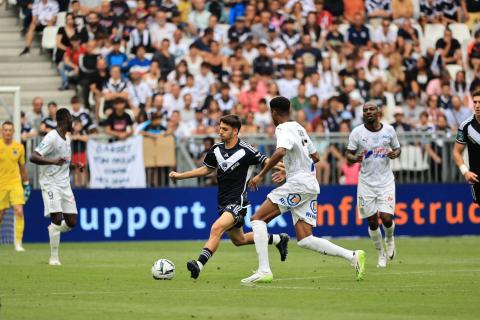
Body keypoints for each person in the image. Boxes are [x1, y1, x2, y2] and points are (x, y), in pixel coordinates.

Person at [241, 96, 366, 284]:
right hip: (308, 182)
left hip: (299, 184)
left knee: (257, 219)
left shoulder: (282, 128)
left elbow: (281, 151)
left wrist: (261, 174)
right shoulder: (299, 128)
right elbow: (314, 156)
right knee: (305, 238)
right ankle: (353, 255)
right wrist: (290, 171)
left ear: (273, 112)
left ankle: (264, 270)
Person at [169, 114, 289, 280]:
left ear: (235, 131)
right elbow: (205, 170)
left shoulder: (247, 150)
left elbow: (269, 161)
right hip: (222, 202)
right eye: (220, 128)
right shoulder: (216, 150)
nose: (220, 132)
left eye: (225, 129)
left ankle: (198, 264)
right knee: (239, 240)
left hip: (238, 201)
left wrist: (286, 170)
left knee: (216, 228)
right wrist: (180, 176)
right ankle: (278, 239)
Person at [346, 101, 401, 268]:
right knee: (371, 221)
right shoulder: (357, 133)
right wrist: (355, 158)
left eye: (371, 109)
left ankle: (390, 239)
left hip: (385, 182)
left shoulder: (389, 130)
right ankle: (380, 253)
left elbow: (398, 148)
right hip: (366, 183)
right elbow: (348, 153)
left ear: (378, 112)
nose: (368, 112)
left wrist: (394, 154)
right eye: (365, 110)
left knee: (386, 217)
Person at [30, 108, 84, 265]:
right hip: (50, 182)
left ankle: (53, 230)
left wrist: (74, 165)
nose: (73, 122)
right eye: (71, 119)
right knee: (57, 218)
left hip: (64, 183)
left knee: (72, 221)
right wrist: (52, 162)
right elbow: (33, 156)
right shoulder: (51, 137)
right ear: (65, 119)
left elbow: (63, 161)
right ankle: (54, 257)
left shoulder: (67, 139)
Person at [0, 121, 31, 251]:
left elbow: (22, 167)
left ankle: (18, 243)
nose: (7, 132)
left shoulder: (19, 147)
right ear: (2, 131)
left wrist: (26, 184)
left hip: (15, 183)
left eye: (9, 130)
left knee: (19, 211)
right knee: (1, 215)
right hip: (1, 184)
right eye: (5, 130)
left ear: (13, 132)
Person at [453, 90, 480, 205]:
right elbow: (456, 152)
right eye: (475, 102)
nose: (477, 106)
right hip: (477, 177)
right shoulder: (466, 126)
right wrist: (465, 172)